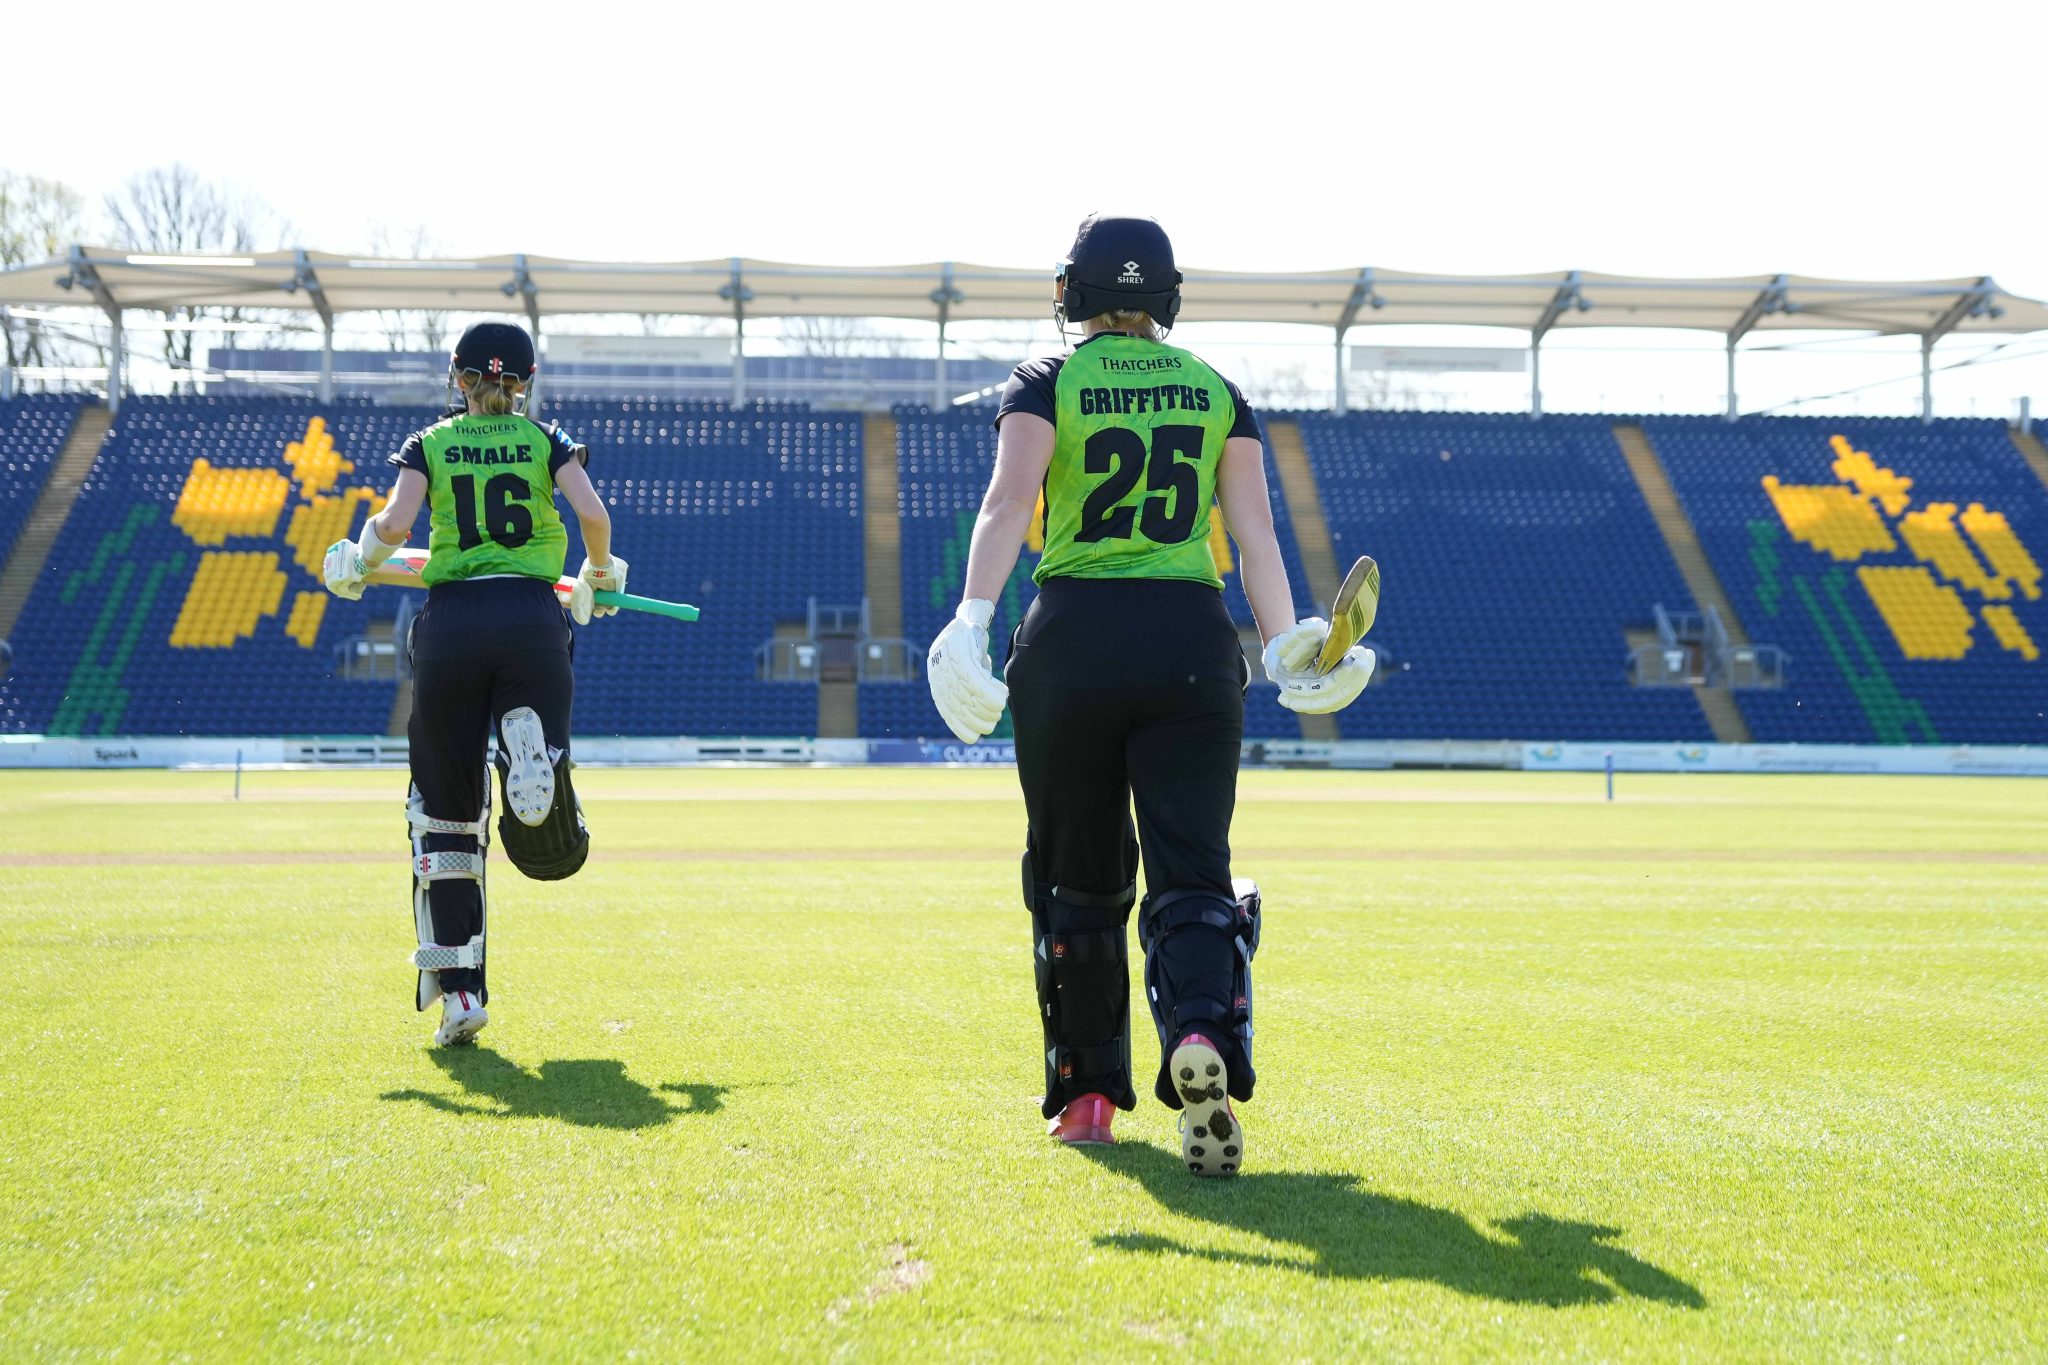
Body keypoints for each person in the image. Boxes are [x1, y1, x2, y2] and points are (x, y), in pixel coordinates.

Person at [927, 215, 1375, 1176]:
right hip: (1190, 644)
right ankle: (1201, 1035)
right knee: (1193, 873)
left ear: (1072, 291)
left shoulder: (1045, 380)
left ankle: (1087, 1098)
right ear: (1164, 296)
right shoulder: (1219, 390)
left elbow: (1009, 504)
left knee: (1076, 881)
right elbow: (1256, 540)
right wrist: (1291, 642)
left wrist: (970, 617)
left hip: (1072, 639)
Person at [322, 321, 626, 1046]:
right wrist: (599, 572)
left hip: (452, 624)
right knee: (544, 756)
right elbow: (592, 513)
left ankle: (459, 992)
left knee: (446, 817)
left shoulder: (429, 443)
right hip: (530, 616)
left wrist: (356, 558)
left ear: (457, 378)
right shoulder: (547, 440)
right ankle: (532, 744)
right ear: (526, 382)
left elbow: (396, 524)